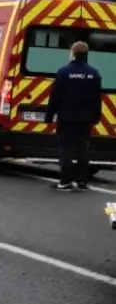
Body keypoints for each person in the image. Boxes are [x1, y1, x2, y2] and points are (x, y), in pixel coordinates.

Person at [44, 40, 103, 191]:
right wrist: (96, 117)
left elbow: (55, 96)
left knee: (66, 149)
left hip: (66, 117)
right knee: (82, 149)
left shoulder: (64, 72)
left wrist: (49, 116)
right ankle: (82, 182)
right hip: (85, 119)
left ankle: (65, 181)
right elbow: (97, 98)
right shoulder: (94, 73)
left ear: (73, 54)